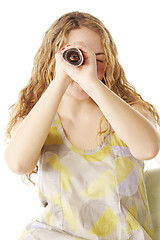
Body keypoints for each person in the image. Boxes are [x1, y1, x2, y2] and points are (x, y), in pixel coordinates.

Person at [4, 11, 160, 240]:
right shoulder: (39, 120)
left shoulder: (130, 111)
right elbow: (18, 164)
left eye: (98, 59)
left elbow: (148, 149)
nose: (85, 65)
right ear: (52, 61)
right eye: (74, 56)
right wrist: (61, 78)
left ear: (108, 64)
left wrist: (90, 81)